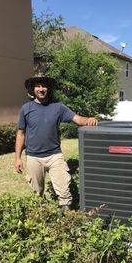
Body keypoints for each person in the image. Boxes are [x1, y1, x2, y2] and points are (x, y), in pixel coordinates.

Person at [14, 75, 98, 210]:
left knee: (64, 192)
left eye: (44, 86)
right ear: (33, 89)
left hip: (55, 156)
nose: (41, 89)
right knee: (37, 194)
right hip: (33, 157)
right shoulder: (26, 108)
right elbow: (20, 134)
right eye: (38, 86)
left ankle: (66, 222)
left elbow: (77, 119)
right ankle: (42, 221)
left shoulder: (58, 107)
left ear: (49, 88)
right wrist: (17, 158)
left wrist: (90, 119)